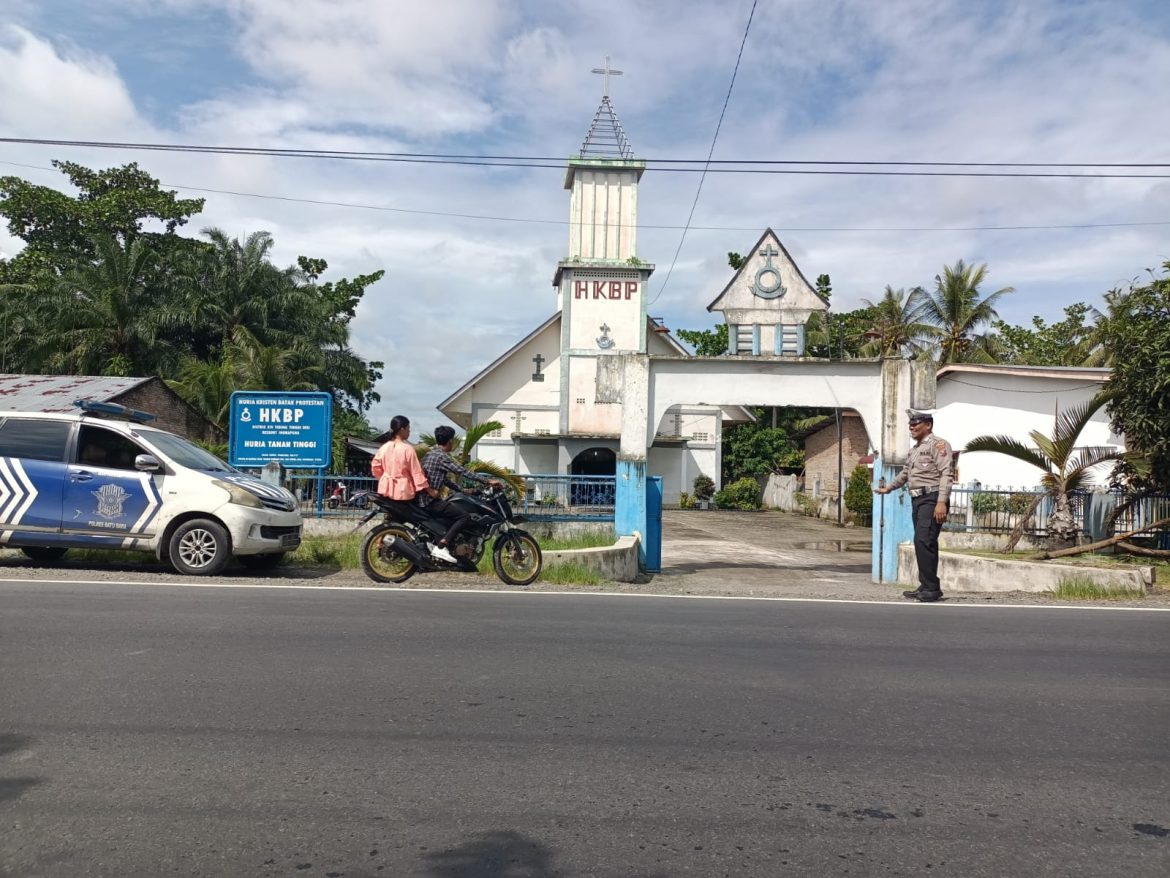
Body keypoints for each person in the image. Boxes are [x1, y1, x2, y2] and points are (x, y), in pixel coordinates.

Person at [875, 408, 954, 602]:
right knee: (924, 542)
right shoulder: (915, 450)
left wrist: (941, 502)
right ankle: (927, 585)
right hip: (918, 500)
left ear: (928, 425)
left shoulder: (939, 445)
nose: (911, 427)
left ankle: (932, 588)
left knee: (923, 540)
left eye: (916, 423)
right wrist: (890, 488)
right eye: (910, 424)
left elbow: (946, 474)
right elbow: (905, 473)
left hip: (932, 498)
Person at [418, 425, 504, 565]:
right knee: (464, 516)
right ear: (450, 441)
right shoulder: (442, 457)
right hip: (429, 501)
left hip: (423, 499)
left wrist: (461, 490)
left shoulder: (431, 454)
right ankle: (442, 546)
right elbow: (463, 471)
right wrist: (487, 481)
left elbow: (443, 479)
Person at [370, 415, 440, 546]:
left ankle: (382, 541)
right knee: (416, 517)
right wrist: (429, 490)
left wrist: (385, 478)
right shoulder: (407, 449)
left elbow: (375, 466)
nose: (409, 431)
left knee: (392, 518)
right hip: (403, 491)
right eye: (408, 428)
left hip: (385, 489)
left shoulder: (384, 447)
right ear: (402, 429)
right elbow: (416, 472)